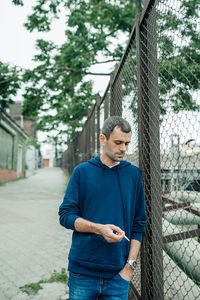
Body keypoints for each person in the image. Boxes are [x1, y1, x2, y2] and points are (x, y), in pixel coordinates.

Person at [59, 116, 146, 300]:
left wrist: (129, 267)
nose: (123, 148)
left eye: (127, 143)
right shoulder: (82, 172)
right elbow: (65, 215)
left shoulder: (133, 175)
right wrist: (98, 228)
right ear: (102, 139)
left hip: (118, 275)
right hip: (83, 272)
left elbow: (139, 224)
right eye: (118, 142)